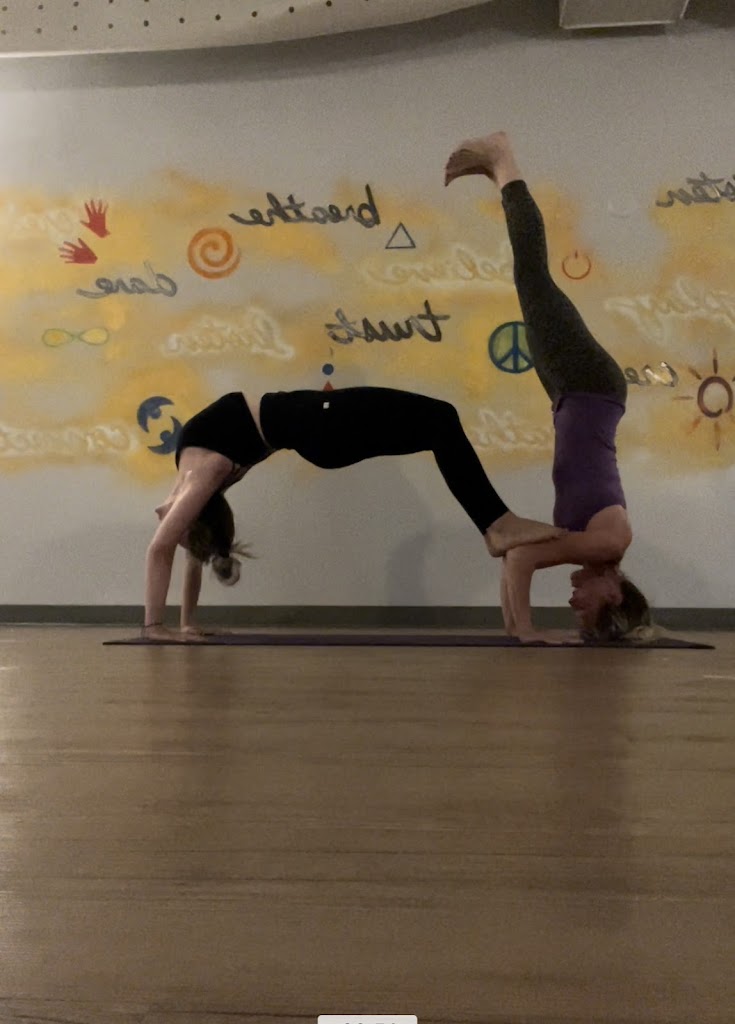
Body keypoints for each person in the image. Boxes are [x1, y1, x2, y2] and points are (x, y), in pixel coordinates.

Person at [143, 387, 566, 641]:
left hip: (321, 429)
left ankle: (495, 525)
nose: (181, 540)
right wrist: (154, 627)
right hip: (322, 425)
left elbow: (179, 547)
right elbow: (161, 549)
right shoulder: (207, 469)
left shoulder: (197, 479)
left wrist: (187, 624)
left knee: (439, 424)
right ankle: (496, 525)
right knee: (440, 417)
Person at [445, 131, 652, 644]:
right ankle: (503, 160)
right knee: (532, 277)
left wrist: (516, 629)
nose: (574, 607)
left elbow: (515, 554)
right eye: (588, 611)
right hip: (589, 384)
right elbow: (523, 558)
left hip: (571, 392)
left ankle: (497, 173)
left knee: (530, 280)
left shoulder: (597, 546)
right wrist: (528, 631)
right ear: (615, 594)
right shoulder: (606, 544)